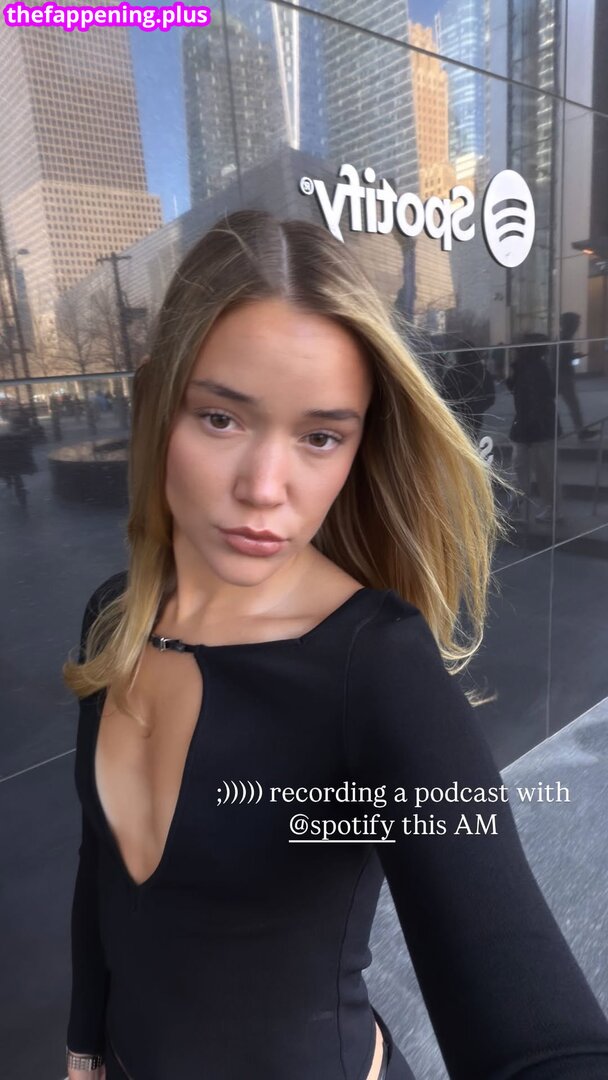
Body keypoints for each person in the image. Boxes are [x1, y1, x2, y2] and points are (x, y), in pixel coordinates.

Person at [62, 211, 608, 1080]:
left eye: (320, 436)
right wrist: (85, 1046)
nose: (264, 488)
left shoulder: (375, 664)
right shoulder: (113, 616)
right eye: (221, 418)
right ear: (154, 404)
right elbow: (100, 866)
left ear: (357, 447)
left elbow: (528, 1004)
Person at [505, 335, 563, 524]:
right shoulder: (526, 367)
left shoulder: (535, 368)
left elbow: (537, 400)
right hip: (530, 427)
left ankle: (549, 508)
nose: (515, 350)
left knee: (539, 470)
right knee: (526, 469)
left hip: (537, 427)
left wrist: (529, 426)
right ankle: (522, 506)